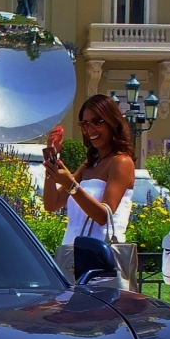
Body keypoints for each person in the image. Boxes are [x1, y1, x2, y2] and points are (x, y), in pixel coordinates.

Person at [42, 93, 136, 252]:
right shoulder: (88, 165)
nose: (89, 129)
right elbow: (52, 204)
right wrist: (51, 157)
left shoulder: (121, 162)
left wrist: (70, 184)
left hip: (102, 257)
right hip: (72, 252)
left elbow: (103, 216)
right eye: (84, 124)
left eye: (96, 122)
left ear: (112, 122)